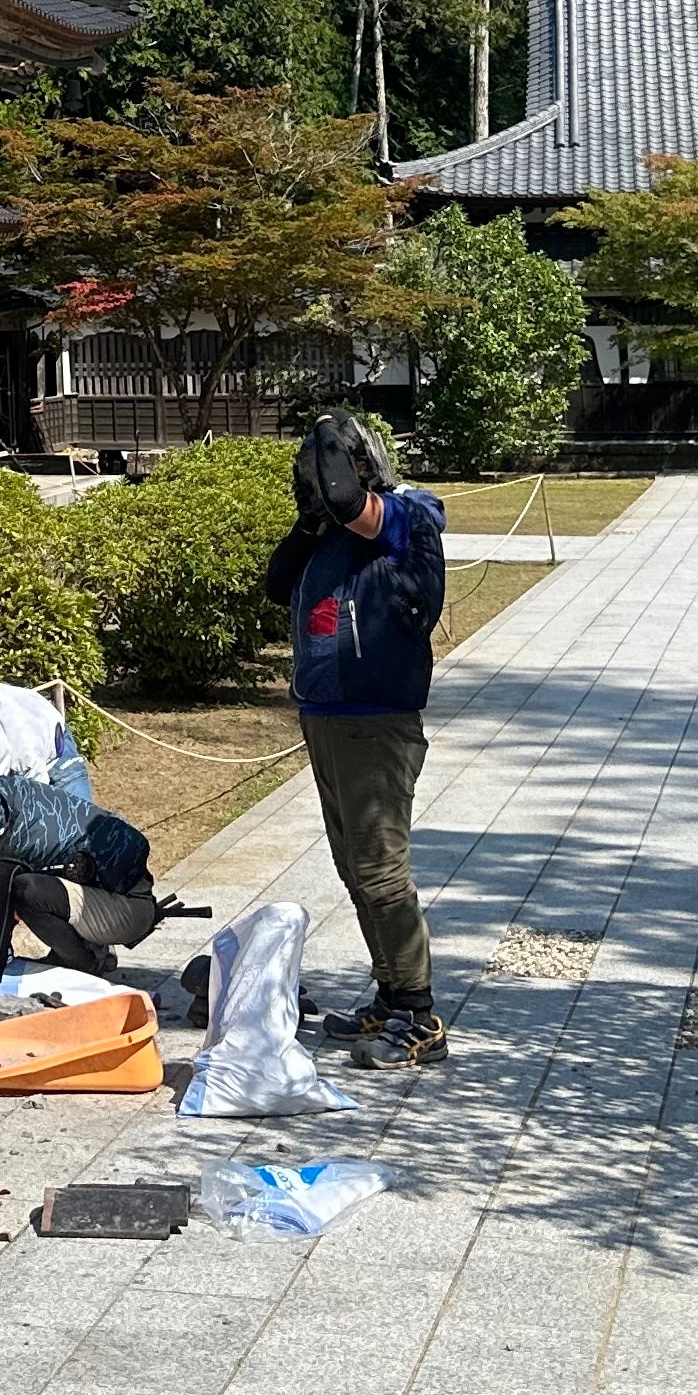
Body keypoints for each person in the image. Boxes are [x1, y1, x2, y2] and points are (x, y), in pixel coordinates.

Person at [264, 408, 449, 1067]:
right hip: (325, 715)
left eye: (323, 471)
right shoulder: (326, 535)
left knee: (382, 873)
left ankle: (422, 1016)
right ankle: (392, 996)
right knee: (355, 872)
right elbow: (275, 584)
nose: (317, 487)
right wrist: (306, 519)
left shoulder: (405, 518)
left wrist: (326, 432)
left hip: (375, 721)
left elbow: (351, 501)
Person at [0, 742, 163, 993]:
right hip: (127, 888)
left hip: (129, 911)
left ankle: (83, 965)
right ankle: (84, 951)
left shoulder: (4, 855)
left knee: (27, 892)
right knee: (28, 887)